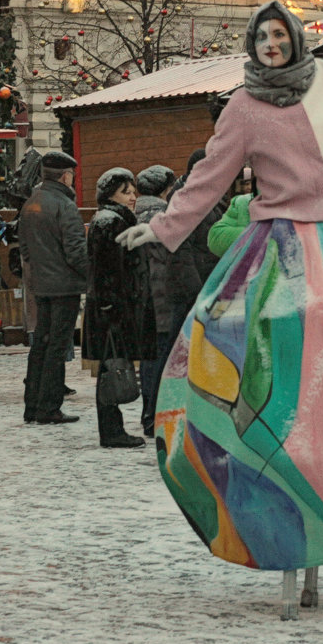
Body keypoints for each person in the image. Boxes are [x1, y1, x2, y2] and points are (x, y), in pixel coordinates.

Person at [115, 0, 323, 573]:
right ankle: (269, 492)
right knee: (263, 368)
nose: (271, 45)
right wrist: (162, 228)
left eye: (278, 35)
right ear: (253, 45)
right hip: (277, 249)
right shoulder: (243, 106)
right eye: (261, 37)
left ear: (295, 38)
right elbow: (210, 176)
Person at [82, 168, 156, 448]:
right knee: (111, 368)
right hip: (111, 311)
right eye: (126, 191)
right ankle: (111, 431)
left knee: (112, 367)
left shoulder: (113, 219)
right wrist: (113, 308)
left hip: (114, 308)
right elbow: (106, 271)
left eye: (133, 190)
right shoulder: (109, 222)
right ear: (110, 194)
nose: (133, 196)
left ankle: (113, 428)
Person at [18, 151, 87, 425]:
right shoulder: (64, 205)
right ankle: (49, 407)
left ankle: (32, 406)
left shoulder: (31, 204)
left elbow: (24, 248)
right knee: (57, 347)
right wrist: (90, 275)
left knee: (41, 346)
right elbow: (75, 252)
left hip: (42, 285)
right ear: (66, 176)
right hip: (64, 286)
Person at [162, 148, 225, 356]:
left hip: (201, 282)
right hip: (191, 287)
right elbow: (180, 249)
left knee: (188, 345)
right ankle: (160, 388)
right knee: (179, 346)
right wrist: (196, 289)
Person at [135, 164, 176, 437]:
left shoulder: (133, 215)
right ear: (165, 189)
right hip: (162, 294)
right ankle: (154, 415)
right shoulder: (164, 218)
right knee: (161, 356)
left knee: (150, 356)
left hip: (143, 297)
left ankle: (148, 412)